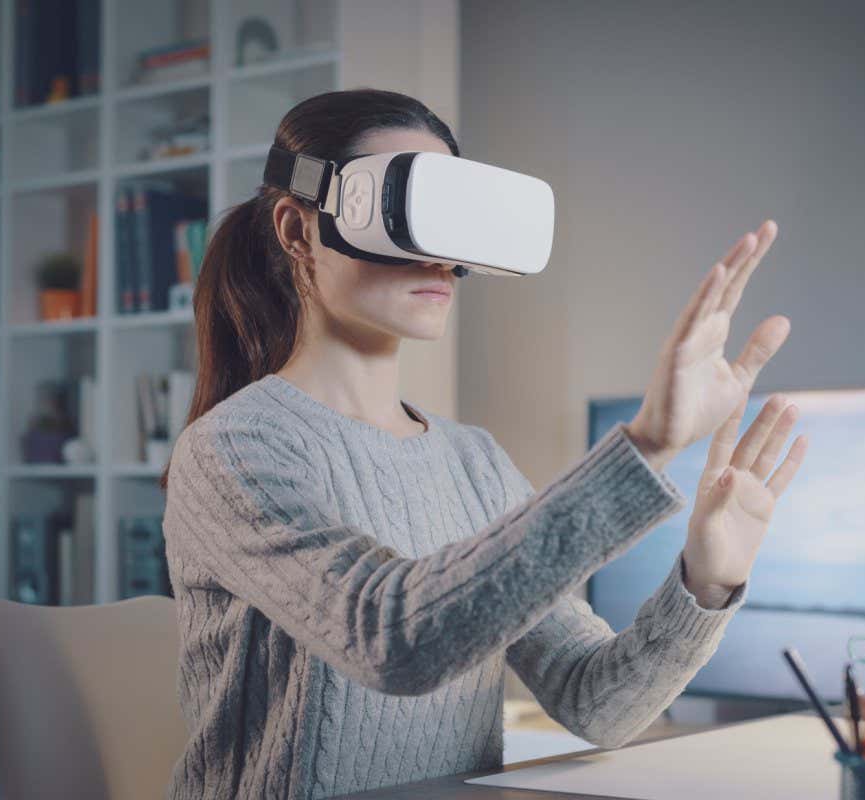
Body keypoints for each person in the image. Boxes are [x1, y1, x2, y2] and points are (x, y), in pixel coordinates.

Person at [159, 88, 808, 799]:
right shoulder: (230, 451)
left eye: (452, 220)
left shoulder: (474, 462)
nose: (440, 254)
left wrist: (705, 582)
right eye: (405, 210)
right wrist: (646, 448)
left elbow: (597, 702)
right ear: (296, 229)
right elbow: (390, 639)